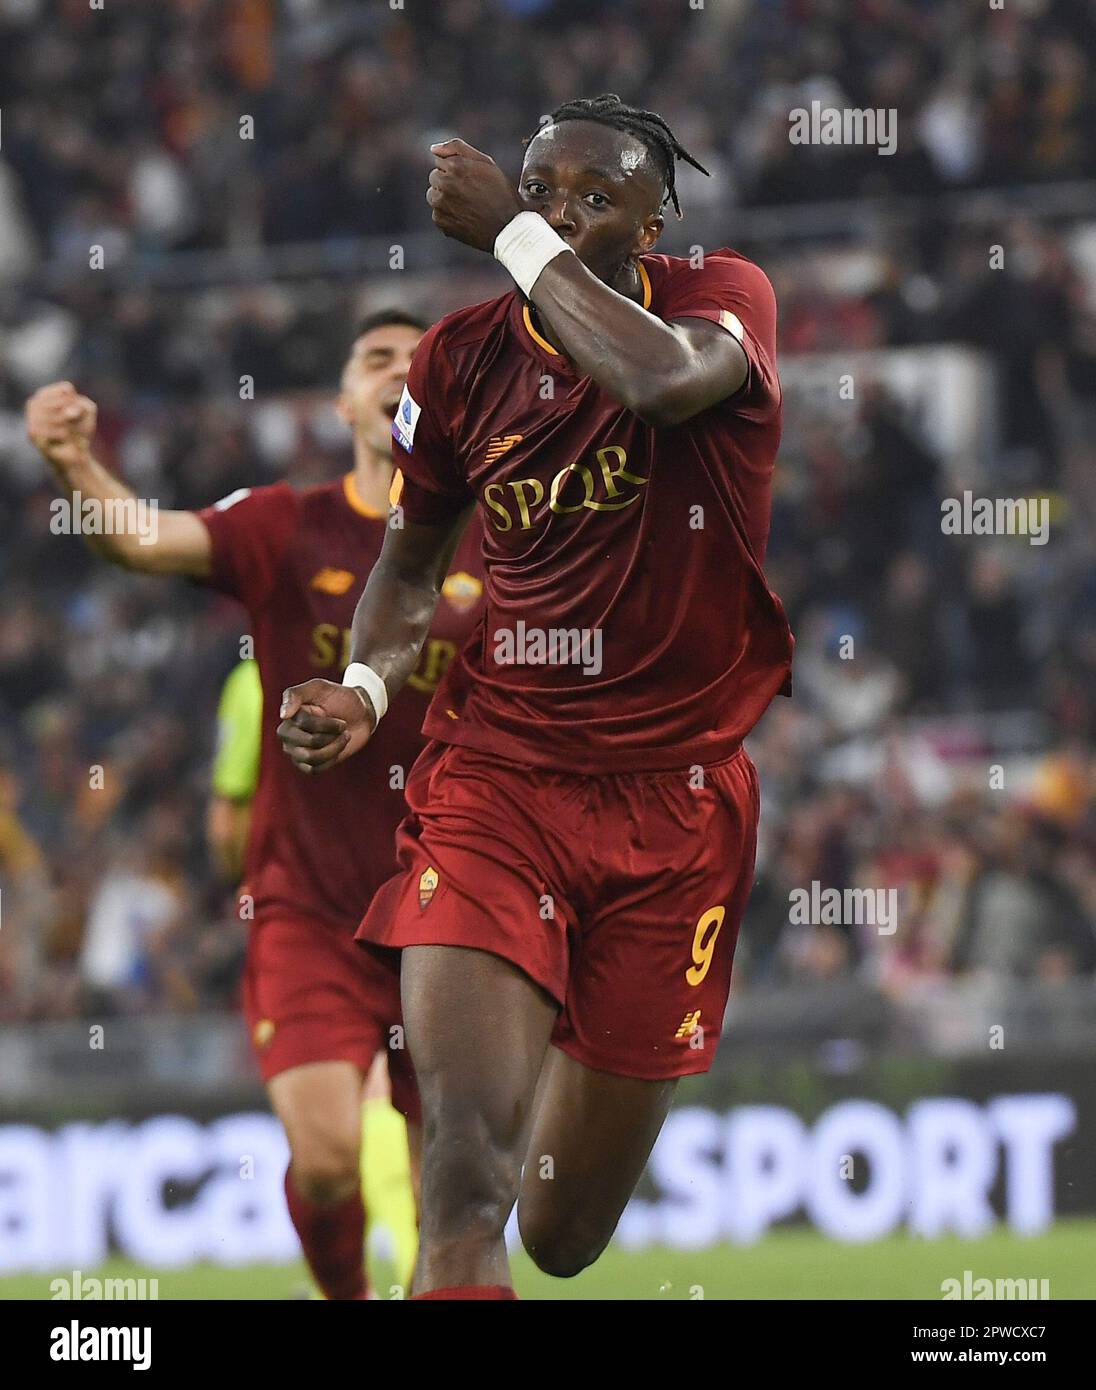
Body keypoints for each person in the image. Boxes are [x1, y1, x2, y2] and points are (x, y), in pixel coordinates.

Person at [277, 94, 794, 1300]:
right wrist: (363, 684)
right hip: (499, 783)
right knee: (463, 1180)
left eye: (593, 197)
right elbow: (407, 570)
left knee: (560, 1233)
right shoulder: (458, 362)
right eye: (539, 187)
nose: (559, 210)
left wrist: (517, 233)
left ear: (654, 222)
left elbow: (659, 384)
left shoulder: (721, 300)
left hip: (675, 812)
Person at [25, 310, 485, 1299]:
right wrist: (75, 463)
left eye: (418, 362)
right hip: (310, 913)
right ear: (340, 402)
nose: (398, 372)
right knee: (325, 1157)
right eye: (374, 359)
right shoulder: (289, 523)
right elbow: (145, 541)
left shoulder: (492, 545)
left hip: (449, 915)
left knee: (454, 1196)